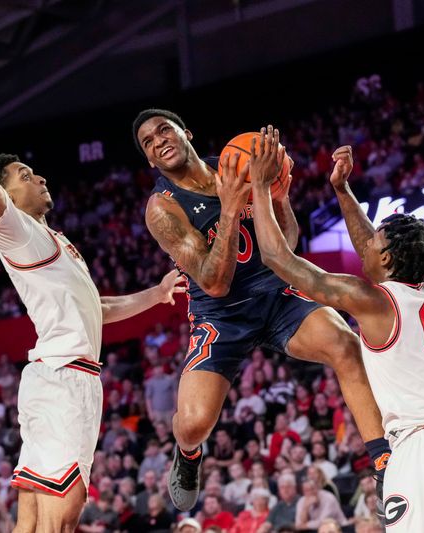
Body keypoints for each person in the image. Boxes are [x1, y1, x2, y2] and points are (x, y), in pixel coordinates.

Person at [0, 12, 185, 531]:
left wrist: (156, 293)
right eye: (25, 174)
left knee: (33, 521)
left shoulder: (58, 242)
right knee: (59, 520)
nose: (39, 176)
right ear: (8, 191)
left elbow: (99, 309)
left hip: (62, 379)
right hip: (63, 380)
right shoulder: (13, 227)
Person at [133, 111, 387, 511]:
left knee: (345, 344)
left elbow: (285, 243)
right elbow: (213, 282)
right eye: (148, 141)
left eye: (164, 129)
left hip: (276, 293)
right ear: (149, 159)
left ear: (187, 132)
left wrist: (277, 196)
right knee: (194, 424)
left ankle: (384, 464)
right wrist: (231, 207)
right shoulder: (163, 209)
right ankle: (187, 454)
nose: (158, 140)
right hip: (221, 314)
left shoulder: (238, 161)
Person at [249, 133, 424, 531]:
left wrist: (258, 186)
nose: (367, 241)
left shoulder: (376, 302)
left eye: (377, 238)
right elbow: (369, 249)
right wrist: (342, 190)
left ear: (389, 257)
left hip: (423, 449)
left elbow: (278, 258)